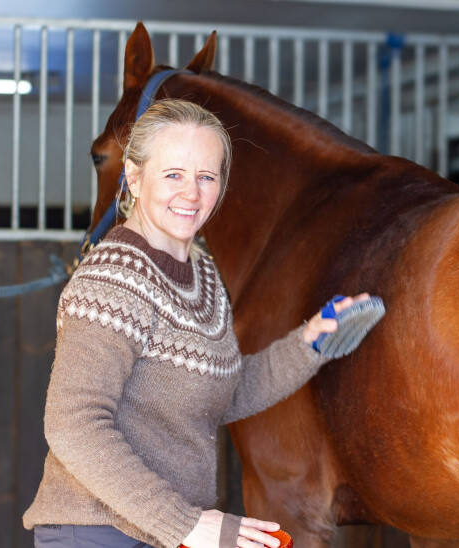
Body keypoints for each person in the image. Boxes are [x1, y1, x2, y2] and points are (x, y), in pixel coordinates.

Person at [23, 98, 373, 548]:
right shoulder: (113, 278)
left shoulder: (204, 274)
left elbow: (222, 392)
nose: (192, 193)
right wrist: (187, 524)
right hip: (97, 532)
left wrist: (310, 343)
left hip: (167, 532)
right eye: (173, 175)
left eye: (206, 177)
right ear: (133, 176)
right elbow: (73, 424)